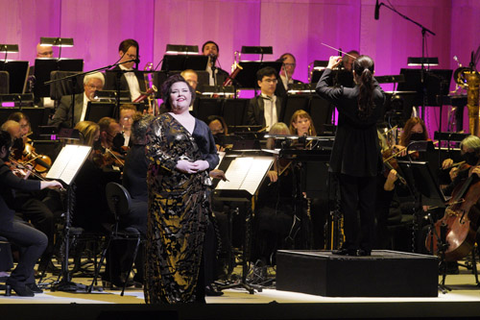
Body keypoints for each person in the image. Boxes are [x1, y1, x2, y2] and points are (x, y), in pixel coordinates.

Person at [145, 74, 219, 304]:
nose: (180, 95)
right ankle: (167, 298)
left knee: (193, 246)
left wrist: (205, 164)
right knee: (167, 247)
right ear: (168, 97)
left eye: (184, 91)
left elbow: (214, 155)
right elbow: (152, 150)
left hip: (195, 195)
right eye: (175, 91)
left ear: (191, 96)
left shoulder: (202, 125)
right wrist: (178, 164)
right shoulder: (159, 122)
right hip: (167, 196)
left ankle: (192, 299)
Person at [316, 55, 385, 256]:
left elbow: (320, 88)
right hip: (370, 155)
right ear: (371, 74)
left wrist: (329, 67)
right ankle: (366, 246)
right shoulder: (379, 96)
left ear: (353, 74)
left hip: (348, 156)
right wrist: (369, 73)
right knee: (367, 204)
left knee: (349, 203)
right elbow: (375, 86)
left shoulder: (345, 94)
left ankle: (351, 245)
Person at [0, 130, 63, 296]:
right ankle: (18, 279)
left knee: (29, 233)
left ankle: (28, 280)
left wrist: (24, 175)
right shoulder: (0, 168)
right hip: (2, 220)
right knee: (40, 240)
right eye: (9, 149)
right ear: (2, 150)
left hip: (6, 217)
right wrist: (49, 184)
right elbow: (20, 186)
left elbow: (13, 185)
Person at [246, 67, 284, 132]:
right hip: (260, 139)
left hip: (279, 137)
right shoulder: (253, 102)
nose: (272, 84)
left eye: (274, 81)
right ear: (259, 83)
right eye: (268, 81)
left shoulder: (281, 101)